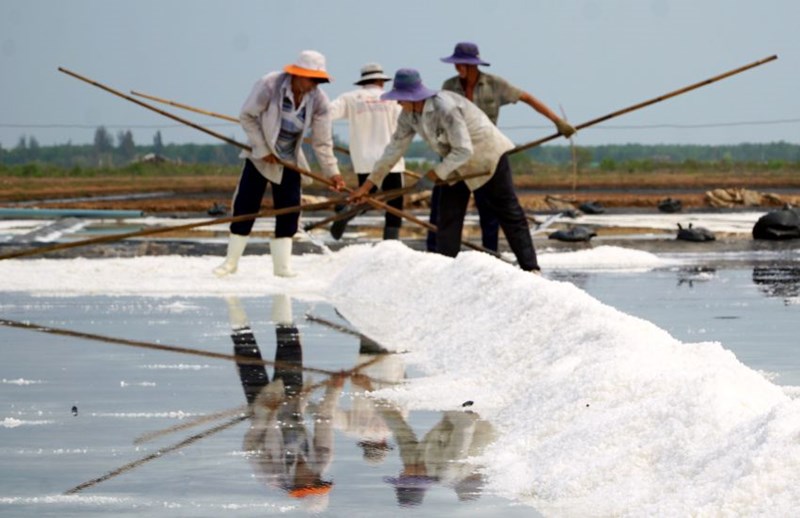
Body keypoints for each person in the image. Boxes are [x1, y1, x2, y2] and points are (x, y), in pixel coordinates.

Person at [349, 68, 541, 272]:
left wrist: (434, 174)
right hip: (455, 163)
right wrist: (368, 186)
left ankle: (530, 268)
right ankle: (446, 270)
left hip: (487, 156)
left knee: (508, 212)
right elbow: (393, 150)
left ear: (412, 96)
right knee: (448, 215)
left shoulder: (445, 108)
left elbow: (464, 149)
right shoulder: (408, 115)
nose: (397, 103)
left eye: (400, 98)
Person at [427, 41, 577, 253]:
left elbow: (527, 98)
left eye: (461, 63)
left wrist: (557, 122)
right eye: (456, 63)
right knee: (445, 209)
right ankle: (439, 257)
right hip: (458, 155)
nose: (457, 67)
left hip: (485, 155)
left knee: (489, 209)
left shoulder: (494, 84)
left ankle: (491, 254)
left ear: (473, 65)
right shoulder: (449, 86)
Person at [213, 50, 345, 278]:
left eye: (318, 81)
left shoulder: (319, 101)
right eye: (312, 79)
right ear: (297, 75)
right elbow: (247, 116)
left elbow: (323, 141)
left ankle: (282, 267)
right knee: (246, 205)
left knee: (290, 209)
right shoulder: (270, 85)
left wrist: (333, 173)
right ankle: (230, 263)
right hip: (259, 155)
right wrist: (263, 149)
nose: (315, 84)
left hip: (289, 159)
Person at [328, 63, 405, 240]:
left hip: (364, 159)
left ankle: (347, 212)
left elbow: (326, 113)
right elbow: (404, 123)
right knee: (395, 202)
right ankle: (391, 242)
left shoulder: (350, 98)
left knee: (365, 196)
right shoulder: (393, 98)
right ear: (380, 80)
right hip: (390, 159)